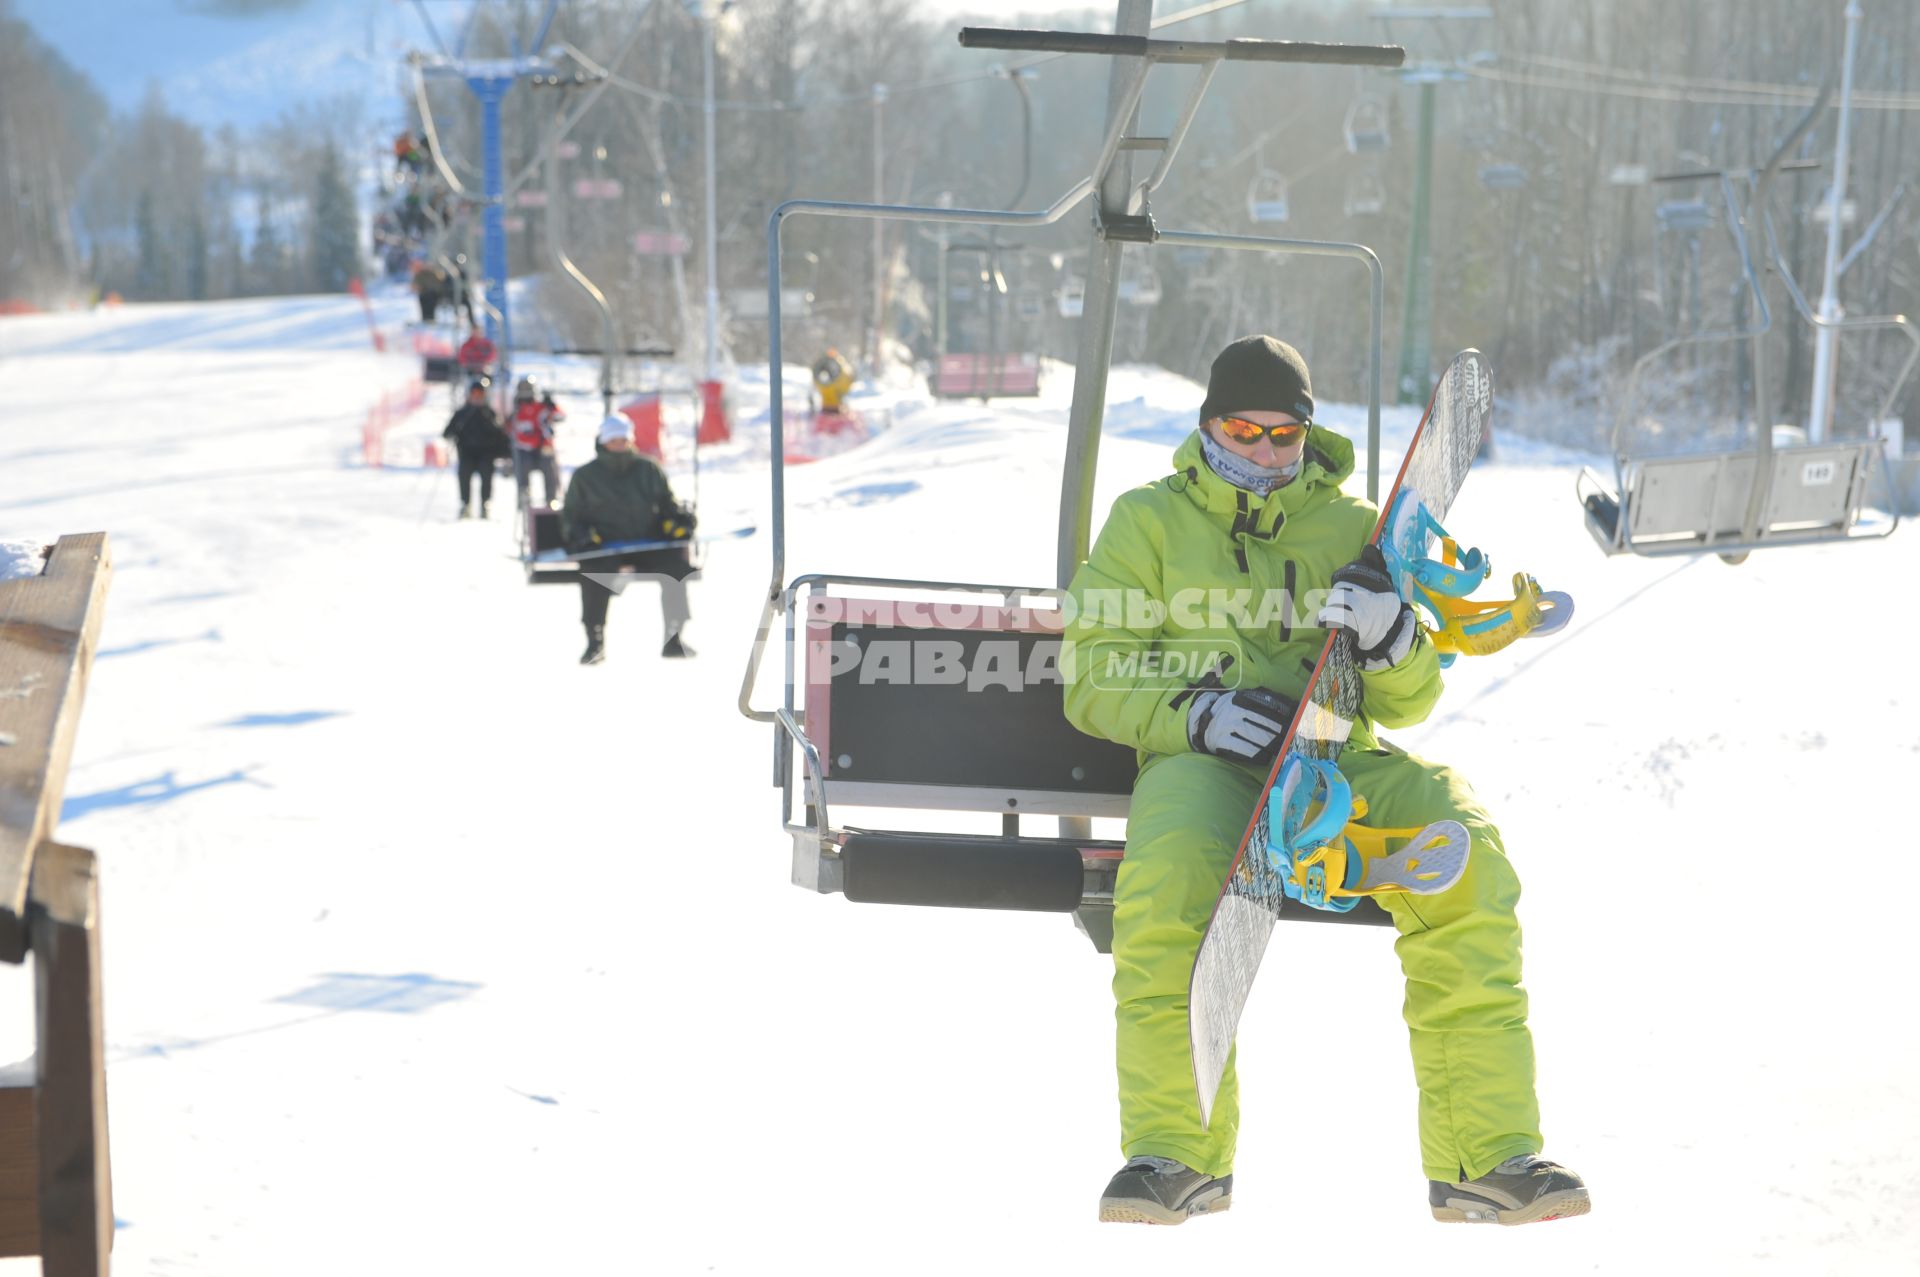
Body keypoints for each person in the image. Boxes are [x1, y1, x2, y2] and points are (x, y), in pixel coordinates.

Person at [1062, 336, 1587, 1228]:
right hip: (1205, 764)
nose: (1266, 451)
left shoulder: (1353, 529)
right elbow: (1094, 671)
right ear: (1209, 425)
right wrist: (1195, 714)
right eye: (1245, 429)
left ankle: (1485, 1155)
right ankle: (1174, 1153)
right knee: (1167, 887)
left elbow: (1411, 698)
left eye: (1285, 435)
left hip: (1333, 759)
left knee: (1464, 847)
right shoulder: (1146, 522)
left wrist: (1392, 642)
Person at [561, 416, 698, 664]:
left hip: (647, 542)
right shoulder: (585, 476)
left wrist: (678, 522)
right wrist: (583, 537)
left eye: (623, 439)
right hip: (605, 546)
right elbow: (571, 515)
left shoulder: (648, 469)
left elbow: (667, 504)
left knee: (676, 567)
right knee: (592, 572)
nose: (619, 444)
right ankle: (595, 641)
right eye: (614, 439)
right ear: (604, 441)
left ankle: (674, 637)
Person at [443, 378, 510, 519]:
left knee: (487, 475)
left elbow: (500, 434)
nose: (477, 397)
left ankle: (485, 503)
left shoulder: (490, 413)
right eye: (475, 394)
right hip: (467, 453)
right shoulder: (462, 413)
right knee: (464, 474)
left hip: (486, 453)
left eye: (480, 394)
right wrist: (456, 429)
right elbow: (448, 432)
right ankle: (465, 504)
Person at [508, 376, 563, 510]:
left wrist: (553, 405)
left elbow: (559, 416)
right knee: (522, 466)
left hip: (543, 447)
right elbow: (513, 429)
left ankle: (551, 498)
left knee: (549, 466)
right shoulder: (516, 410)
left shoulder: (542, 407)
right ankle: (524, 496)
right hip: (525, 449)